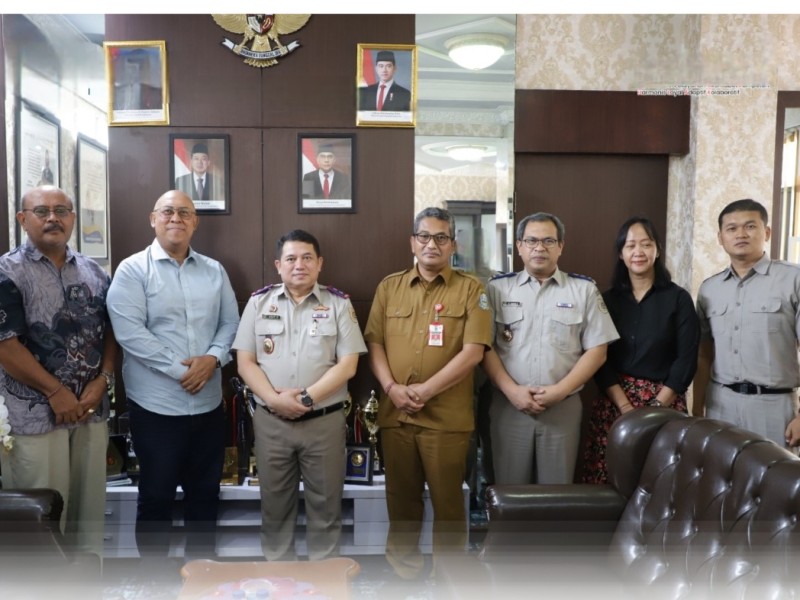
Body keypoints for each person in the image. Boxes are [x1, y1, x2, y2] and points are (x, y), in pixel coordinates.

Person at [106, 189, 239, 557]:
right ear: (153, 219)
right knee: (156, 499)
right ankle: (155, 586)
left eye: (184, 212)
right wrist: (181, 370)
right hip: (157, 409)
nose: (175, 218)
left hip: (209, 407)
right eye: (168, 211)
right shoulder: (133, 270)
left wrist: (212, 360)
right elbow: (130, 332)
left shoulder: (214, 270)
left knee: (204, 500)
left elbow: (230, 324)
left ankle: (201, 581)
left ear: (195, 222)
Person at [364, 207, 492, 580]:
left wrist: (423, 390)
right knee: (401, 505)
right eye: (424, 236)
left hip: (447, 420)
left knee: (449, 506)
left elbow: (474, 352)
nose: (431, 244)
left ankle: (447, 581)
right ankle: (403, 579)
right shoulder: (389, 287)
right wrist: (391, 388)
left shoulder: (472, 289)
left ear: (453, 244)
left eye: (440, 237)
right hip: (396, 416)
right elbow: (374, 343)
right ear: (412, 242)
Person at [232, 229, 366, 560]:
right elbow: (245, 363)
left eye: (307, 258)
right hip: (271, 422)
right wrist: (276, 400)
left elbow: (348, 365)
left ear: (319, 264)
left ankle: (324, 587)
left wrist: (305, 399)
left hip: (323, 422)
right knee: (274, 511)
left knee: (325, 510)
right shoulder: (258, 302)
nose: (299, 265)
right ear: (278, 265)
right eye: (291, 259)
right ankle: (280, 584)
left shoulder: (338, 304)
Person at [0, 185, 116, 556]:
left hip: (90, 412)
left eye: (61, 210)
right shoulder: (8, 271)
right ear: (23, 219)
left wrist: (104, 382)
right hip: (35, 418)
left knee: (88, 519)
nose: (53, 218)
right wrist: (55, 392)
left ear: (73, 219)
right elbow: (6, 346)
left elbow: (113, 333)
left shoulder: (94, 272)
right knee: (42, 524)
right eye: (41, 211)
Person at [482, 212, 618, 485]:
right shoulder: (497, 289)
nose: (539, 248)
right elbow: (484, 347)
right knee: (510, 494)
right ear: (519, 246)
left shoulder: (584, 290)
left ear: (561, 246)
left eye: (548, 241)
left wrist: (559, 391)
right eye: (531, 241)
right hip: (509, 407)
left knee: (556, 494)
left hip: (562, 408)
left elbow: (597, 350)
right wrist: (513, 392)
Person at [581, 217, 700, 484]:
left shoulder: (678, 299)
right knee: (609, 478)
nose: (639, 252)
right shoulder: (607, 300)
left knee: (661, 481)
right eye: (631, 245)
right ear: (621, 254)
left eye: (646, 244)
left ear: (657, 249)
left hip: (665, 402)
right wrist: (625, 406)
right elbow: (600, 357)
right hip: (615, 404)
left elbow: (687, 358)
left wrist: (657, 406)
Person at [695, 199, 800, 449]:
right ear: (720, 238)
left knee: (774, 484)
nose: (740, 234)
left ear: (766, 232)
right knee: (719, 481)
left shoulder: (792, 279)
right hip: (720, 404)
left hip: (774, 407)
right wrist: (697, 408)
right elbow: (704, 354)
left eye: (750, 226)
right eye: (731, 228)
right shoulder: (709, 289)